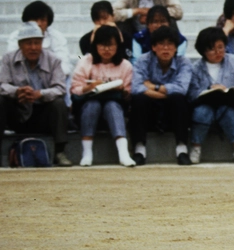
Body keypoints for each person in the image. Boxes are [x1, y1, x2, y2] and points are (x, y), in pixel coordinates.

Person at [0, 22, 71, 165]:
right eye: (28, 43)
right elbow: (2, 84)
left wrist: (41, 94)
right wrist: (17, 91)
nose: (33, 47)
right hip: (17, 111)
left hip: (42, 112)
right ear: (20, 45)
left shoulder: (54, 60)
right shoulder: (8, 59)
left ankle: (59, 151)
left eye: (37, 43)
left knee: (58, 103)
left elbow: (60, 88)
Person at [70, 25, 135, 167]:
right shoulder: (85, 61)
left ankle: (123, 153)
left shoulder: (125, 65)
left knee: (112, 106)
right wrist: (91, 86)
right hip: (89, 103)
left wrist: (122, 89)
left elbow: (129, 93)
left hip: (115, 104)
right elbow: (75, 89)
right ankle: (87, 153)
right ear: (95, 45)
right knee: (92, 106)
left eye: (111, 45)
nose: (106, 50)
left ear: (118, 46)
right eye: (102, 45)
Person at [186, 27, 234, 165]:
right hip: (206, 105)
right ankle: (196, 148)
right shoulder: (196, 68)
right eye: (211, 49)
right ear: (203, 51)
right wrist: (209, 89)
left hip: (230, 104)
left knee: (228, 111)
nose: (217, 52)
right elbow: (192, 93)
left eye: (220, 47)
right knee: (201, 112)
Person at [129, 25, 193, 165]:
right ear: (153, 47)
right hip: (150, 108)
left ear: (176, 47)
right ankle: (139, 150)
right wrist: (166, 93)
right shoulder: (143, 60)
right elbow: (136, 87)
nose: (166, 48)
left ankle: (182, 149)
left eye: (170, 44)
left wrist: (153, 86)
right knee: (139, 100)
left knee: (179, 99)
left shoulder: (184, 62)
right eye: (161, 44)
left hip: (173, 109)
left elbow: (181, 88)